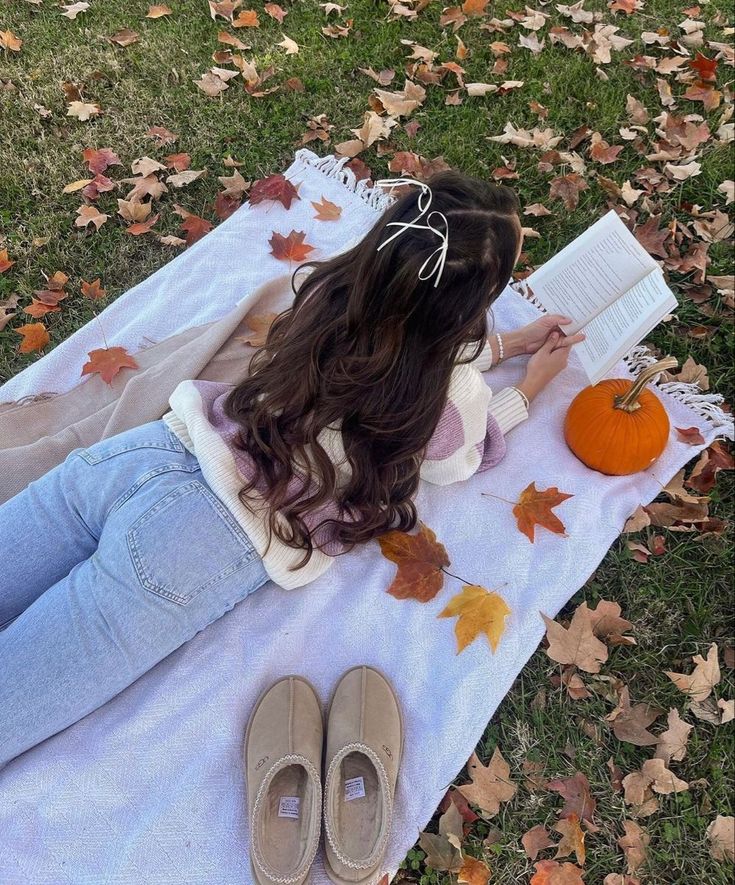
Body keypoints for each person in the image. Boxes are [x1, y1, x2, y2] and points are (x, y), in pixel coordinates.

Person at [0, 171, 584, 768]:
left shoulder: (332, 290)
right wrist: (527, 393)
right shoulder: (450, 405)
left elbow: (404, 340)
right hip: (204, 541)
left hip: (150, 452)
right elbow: (453, 459)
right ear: (467, 310)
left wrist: (505, 347)